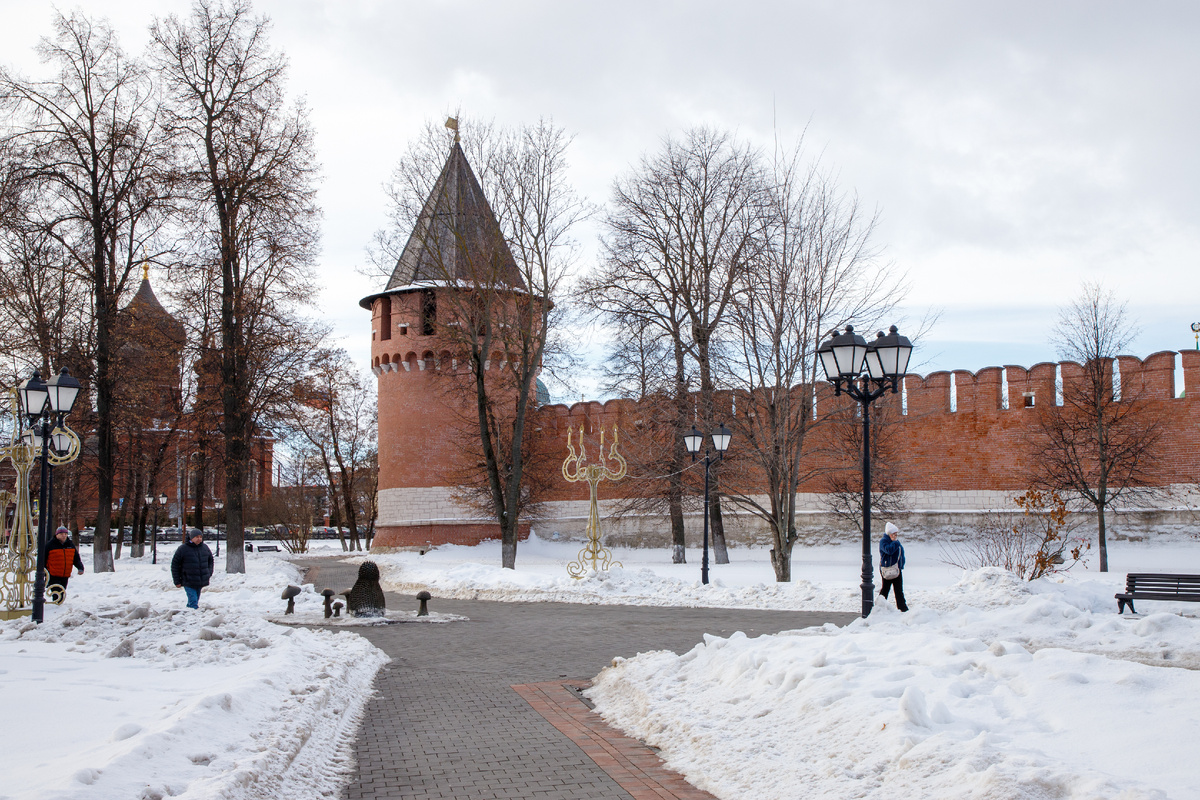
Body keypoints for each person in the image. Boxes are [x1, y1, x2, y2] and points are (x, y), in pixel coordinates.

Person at [171, 528, 214, 609]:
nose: (199, 539)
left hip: (200, 580)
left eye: (200, 537)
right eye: (197, 537)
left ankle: (189, 612)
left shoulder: (204, 548)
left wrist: (209, 572)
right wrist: (177, 580)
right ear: (191, 538)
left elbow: (210, 560)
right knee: (193, 601)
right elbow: (175, 565)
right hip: (188, 580)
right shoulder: (183, 549)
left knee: (195, 599)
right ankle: (193, 614)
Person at [45, 526, 84, 602]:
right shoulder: (50, 545)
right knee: (56, 592)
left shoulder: (70, 545)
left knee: (62, 591)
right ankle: (56, 605)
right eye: (62, 534)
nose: (64, 535)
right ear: (57, 535)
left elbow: (76, 558)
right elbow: (43, 559)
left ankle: (59, 605)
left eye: (65, 534)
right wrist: (44, 572)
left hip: (65, 574)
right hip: (53, 574)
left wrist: (80, 567)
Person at [878, 521, 908, 612]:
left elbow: (900, 554)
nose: (895, 536)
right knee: (885, 589)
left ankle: (902, 608)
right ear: (889, 533)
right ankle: (879, 606)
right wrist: (894, 542)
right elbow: (889, 550)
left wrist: (901, 566)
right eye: (894, 534)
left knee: (899, 590)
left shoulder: (895, 542)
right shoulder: (884, 541)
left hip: (896, 569)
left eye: (896, 534)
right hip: (888, 569)